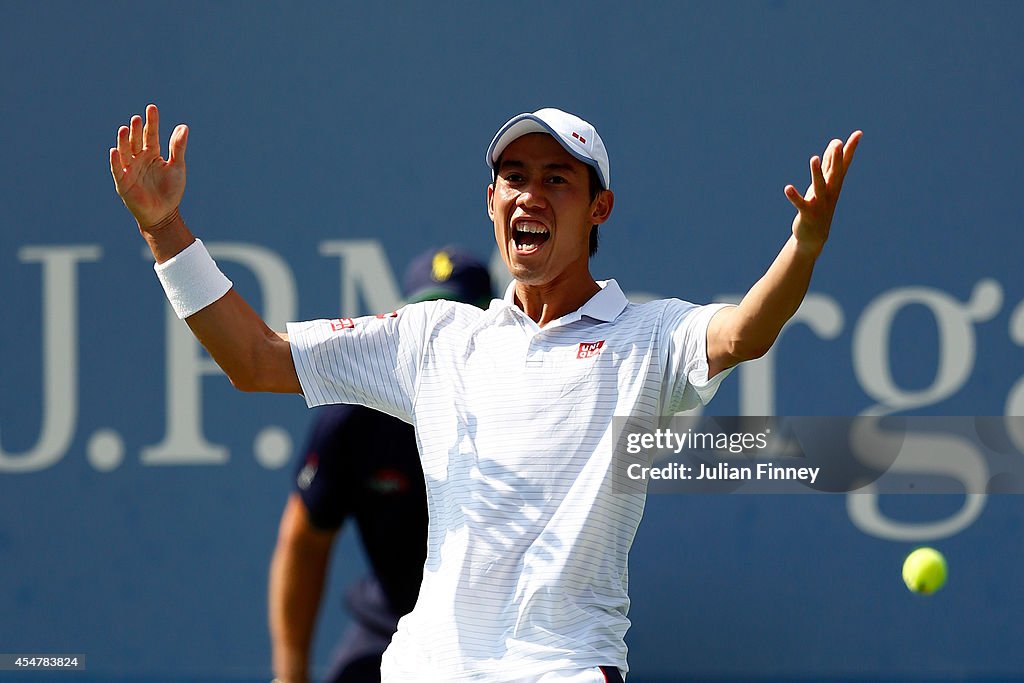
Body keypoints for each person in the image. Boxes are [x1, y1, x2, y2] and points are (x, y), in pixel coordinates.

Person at [110, 104, 861, 682]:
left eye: (556, 179)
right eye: (514, 178)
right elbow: (255, 357)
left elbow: (743, 333)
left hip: (562, 667)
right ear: (492, 201)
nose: (530, 195)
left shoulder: (650, 334)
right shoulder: (435, 336)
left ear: (598, 207)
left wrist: (806, 245)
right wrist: (165, 229)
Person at [268, 248, 494, 683]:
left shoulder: (529, 408)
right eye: (429, 326)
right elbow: (304, 541)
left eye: (460, 324)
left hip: (504, 636)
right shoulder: (353, 419)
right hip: (389, 627)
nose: (442, 345)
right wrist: (291, 677)